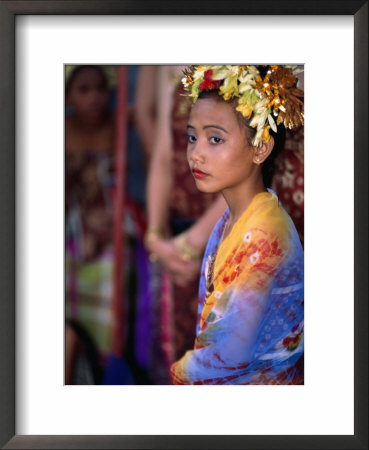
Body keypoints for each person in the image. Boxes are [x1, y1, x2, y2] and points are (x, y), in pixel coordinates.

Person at [170, 65, 304, 385]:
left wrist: (175, 375)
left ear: (260, 148)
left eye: (215, 139)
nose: (196, 154)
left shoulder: (264, 236)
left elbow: (230, 353)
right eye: (192, 137)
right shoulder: (234, 219)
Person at [144, 66, 226, 383]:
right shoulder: (173, 68)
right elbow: (165, 156)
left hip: (225, 233)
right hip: (179, 241)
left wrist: (192, 244)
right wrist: (155, 236)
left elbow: (251, 166)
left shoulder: (246, 73)